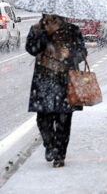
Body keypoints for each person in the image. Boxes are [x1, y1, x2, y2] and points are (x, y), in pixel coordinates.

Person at [26, 14, 87, 167]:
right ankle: (49, 145)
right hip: (43, 81)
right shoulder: (37, 30)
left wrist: (69, 55)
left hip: (66, 81)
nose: (51, 17)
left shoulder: (72, 30)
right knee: (42, 119)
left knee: (64, 121)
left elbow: (82, 52)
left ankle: (60, 155)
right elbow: (31, 49)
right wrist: (46, 36)